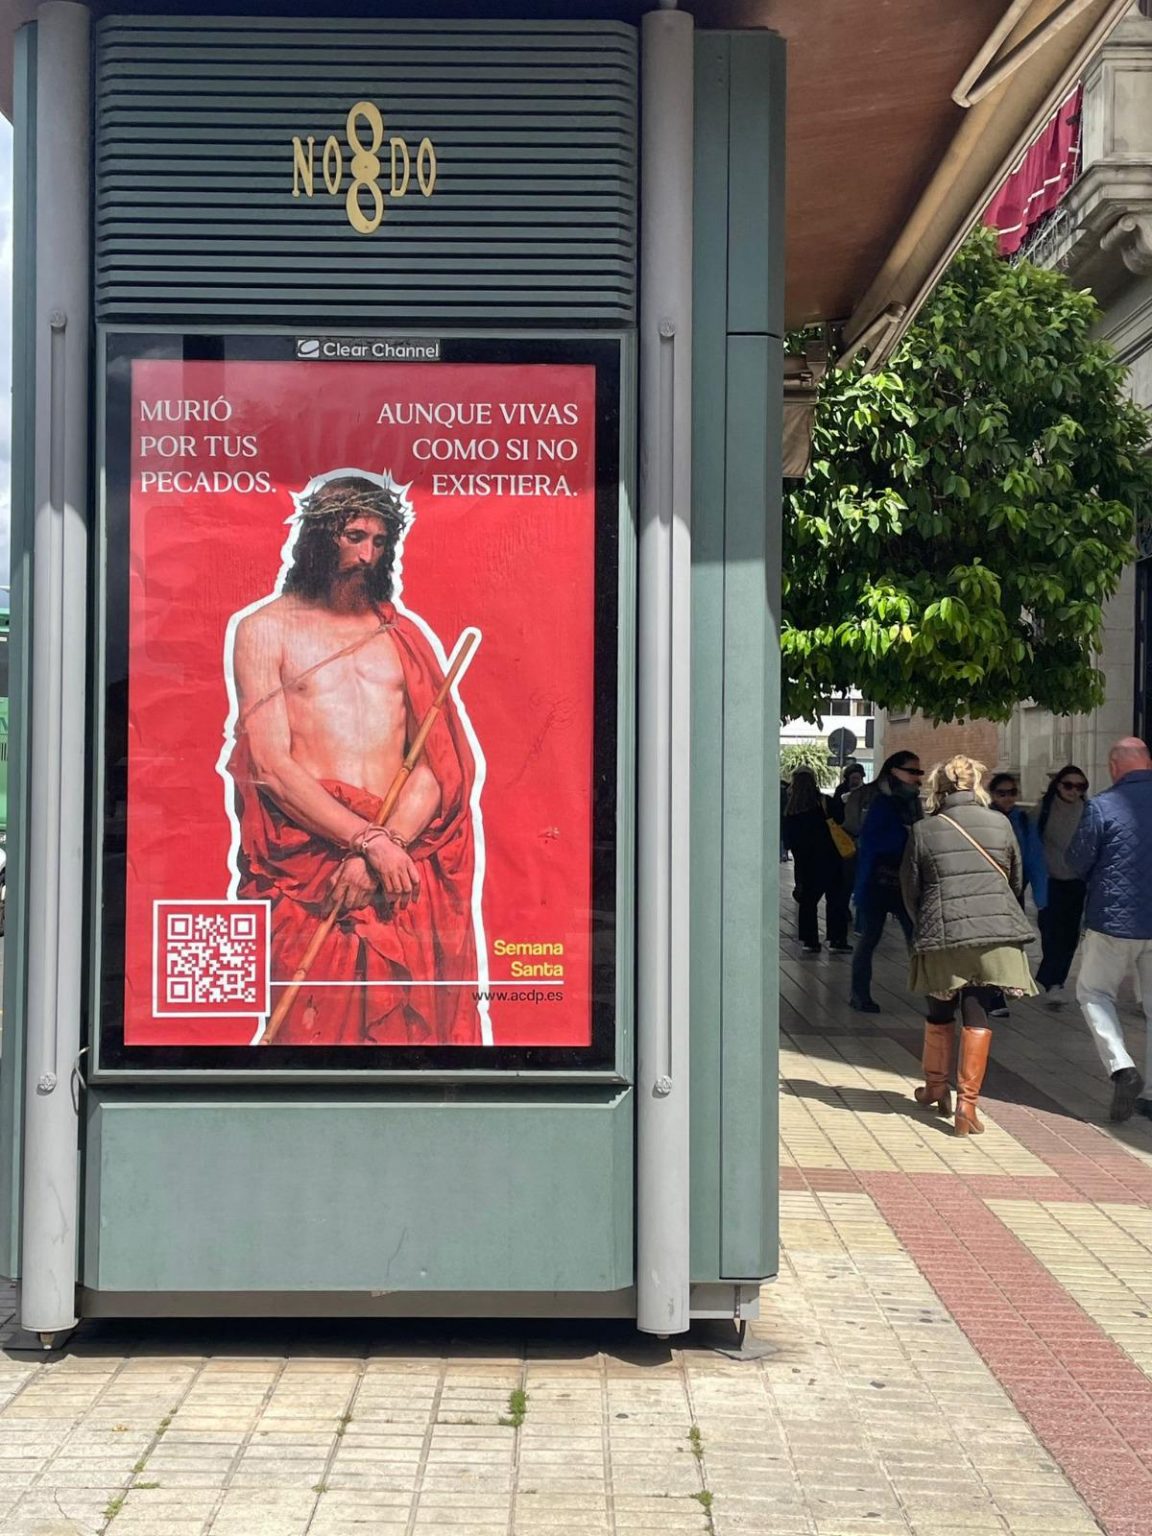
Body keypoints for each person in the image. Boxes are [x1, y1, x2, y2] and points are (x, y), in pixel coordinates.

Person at [225, 472, 484, 1046]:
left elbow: (435, 762)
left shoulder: (401, 635)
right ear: (320, 537)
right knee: (308, 1039)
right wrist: (364, 841)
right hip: (311, 864)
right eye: (355, 537)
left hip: (398, 864)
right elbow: (269, 765)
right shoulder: (265, 630)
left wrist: (385, 849)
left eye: (380, 541)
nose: (368, 555)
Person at [901, 756, 1036, 1135]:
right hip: (993, 932)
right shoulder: (1001, 823)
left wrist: (924, 923)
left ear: (939, 787)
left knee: (939, 1009)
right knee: (977, 1009)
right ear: (976, 785)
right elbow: (1016, 879)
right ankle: (968, 1106)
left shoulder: (924, 829)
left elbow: (911, 888)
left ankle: (935, 1087)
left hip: (944, 933)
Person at [1067, 738, 1152, 1122]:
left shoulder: (1102, 806)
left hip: (1113, 921)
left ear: (1114, 767)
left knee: (1094, 992)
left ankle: (1122, 1066)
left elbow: (1077, 860)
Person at [850, 751, 923, 1012]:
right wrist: (907, 836)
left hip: (905, 881)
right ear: (894, 771)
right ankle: (859, 995)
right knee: (870, 937)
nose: (917, 778)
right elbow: (870, 840)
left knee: (917, 939)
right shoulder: (878, 800)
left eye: (919, 772)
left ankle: (935, 995)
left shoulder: (912, 802)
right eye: (912, 772)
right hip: (877, 881)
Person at [985, 771, 1049, 1017]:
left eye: (1012, 792)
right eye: (1002, 793)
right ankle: (990, 993)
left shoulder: (1022, 820)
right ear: (992, 794)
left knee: (1008, 943)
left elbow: (1034, 858)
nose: (1008, 798)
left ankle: (996, 991)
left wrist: (1041, 897)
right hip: (987, 892)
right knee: (990, 943)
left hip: (1014, 893)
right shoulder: (984, 818)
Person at [1033, 764, 1090, 1007]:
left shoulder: (1089, 811)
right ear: (1058, 785)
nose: (1074, 791)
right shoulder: (1043, 809)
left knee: (1070, 936)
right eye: (1068, 785)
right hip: (1049, 880)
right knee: (1050, 931)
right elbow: (1031, 842)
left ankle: (1057, 981)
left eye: (1080, 786)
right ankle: (1051, 979)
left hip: (1077, 881)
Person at [783, 770, 851, 953]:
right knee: (835, 899)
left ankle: (810, 940)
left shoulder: (791, 810)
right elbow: (841, 819)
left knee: (808, 900)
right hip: (830, 857)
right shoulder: (824, 802)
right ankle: (837, 940)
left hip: (805, 862)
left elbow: (788, 840)